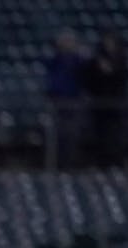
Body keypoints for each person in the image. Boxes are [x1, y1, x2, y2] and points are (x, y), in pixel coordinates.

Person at [82, 31, 128, 167]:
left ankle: (116, 161)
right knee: (100, 135)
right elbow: (89, 79)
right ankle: (102, 163)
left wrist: (110, 70)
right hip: (99, 105)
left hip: (115, 106)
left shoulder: (121, 60)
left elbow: (122, 78)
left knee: (115, 135)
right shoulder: (96, 60)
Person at [44, 30, 87, 169]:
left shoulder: (78, 60)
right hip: (57, 100)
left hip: (73, 100)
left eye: (69, 41)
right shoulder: (56, 59)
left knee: (72, 134)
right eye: (64, 41)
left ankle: (70, 164)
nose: (67, 44)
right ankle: (56, 164)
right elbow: (50, 71)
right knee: (57, 134)